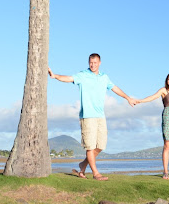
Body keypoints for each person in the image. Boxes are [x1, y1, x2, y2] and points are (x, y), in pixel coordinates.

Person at [48, 53, 136, 181]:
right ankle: (96, 173)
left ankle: (83, 165)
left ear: (99, 63)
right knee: (90, 146)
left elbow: (114, 88)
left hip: (100, 116)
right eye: (91, 62)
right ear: (88, 62)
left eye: (95, 62)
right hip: (88, 116)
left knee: (100, 146)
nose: (93, 65)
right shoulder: (83, 75)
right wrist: (55, 76)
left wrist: (128, 97)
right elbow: (69, 78)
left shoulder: (104, 77)